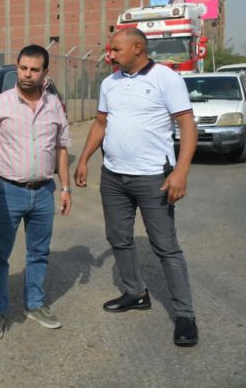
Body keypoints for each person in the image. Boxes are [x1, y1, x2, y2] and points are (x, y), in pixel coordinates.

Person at [74, 28, 199, 347]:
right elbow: (101, 123)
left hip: (154, 177)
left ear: (138, 48)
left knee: (165, 246)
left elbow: (187, 125)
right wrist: (84, 158)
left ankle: (185, 314)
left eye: (116, 49)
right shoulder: (109, 83)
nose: (110, 55)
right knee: (118, 237)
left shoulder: (165, 79)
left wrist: (181, 172)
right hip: (114, 177)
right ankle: (135, 293)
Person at [0, 44, 72, 340]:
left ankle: (34, 304)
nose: (27, 74)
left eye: (34, 69)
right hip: (7, 192)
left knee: (39, 253)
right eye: (23, 68)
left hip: (44, 192)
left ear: (45, 73)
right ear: (17, 68)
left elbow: (61, 148)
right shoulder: (0, 104)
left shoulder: (54, 106)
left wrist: (65, 188)